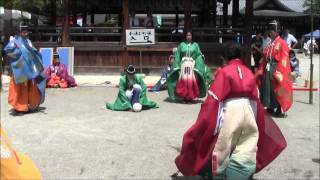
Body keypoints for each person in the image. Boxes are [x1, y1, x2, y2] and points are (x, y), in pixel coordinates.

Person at [174, 42, 287, 180]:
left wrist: (205, 123)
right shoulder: (247, 71)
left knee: (223, 149)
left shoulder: (223, 72)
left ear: (225, 57)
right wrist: (258, 121)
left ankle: (221, 175)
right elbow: (256, 99)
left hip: (230, 114)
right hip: (249, 111)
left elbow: (213, 100)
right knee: (247, 148)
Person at [4, 24, 46, 113]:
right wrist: (19, 52)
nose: (25, 34)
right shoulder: (14, 41)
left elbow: (33, 52)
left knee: (31, 87)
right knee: (20, 88)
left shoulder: (28, 41)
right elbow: (8, 50)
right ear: (20, 32)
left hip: (30, 69)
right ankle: (20, 107)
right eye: (23, 32)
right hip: (20, 69)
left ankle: (31, 105)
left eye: (26, 32)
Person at [256, 20, 293, 117]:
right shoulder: (271, 43)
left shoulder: (282, 43)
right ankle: (270, 106)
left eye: (272, 31)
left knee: (277, 88)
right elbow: (265, 55)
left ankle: (279, 109)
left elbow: (284, 59)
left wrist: (279, 72)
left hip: (277, 68)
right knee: (268, 88)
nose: (270, 33)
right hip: (269, 67)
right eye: (269, 31)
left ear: (277, 31)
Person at [167, 31, 212, 101]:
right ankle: (183, 97)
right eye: (187, 35)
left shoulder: (196, 45)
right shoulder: (181, 45)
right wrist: (177, 65)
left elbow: (198, 55)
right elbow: (177, 55)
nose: (188, 37)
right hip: (183, 65)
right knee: (183, 81)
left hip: (192, 65)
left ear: (192, 36)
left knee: (191, 81)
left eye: (190, 35)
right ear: (185, 36)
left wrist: (200, 60)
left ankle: (190, 97)